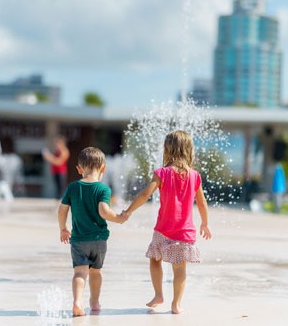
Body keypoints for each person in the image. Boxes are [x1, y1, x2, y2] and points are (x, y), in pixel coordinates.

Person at [122, 130, 212, 314]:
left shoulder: (162, 173)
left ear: (167, 149)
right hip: (184, 232)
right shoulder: (194, 176)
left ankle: (158, 294)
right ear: (189, 150)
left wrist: (128, 211)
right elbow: (202, 203)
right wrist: (205, 223)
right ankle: (176, 304)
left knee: (155, 261)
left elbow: (146, 194)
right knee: (180, 269)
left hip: (163, 230)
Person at [57, 147, 127, 317]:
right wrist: (119, 218)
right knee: (96, 272)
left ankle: (77, 303)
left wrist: (63, 229)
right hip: (98, 241)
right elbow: (104, 211)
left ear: (79, 169)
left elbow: (62, 210)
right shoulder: (103, 189)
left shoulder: (72, 187)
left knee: (80, 273)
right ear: (103, 168)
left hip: (79, 240)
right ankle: (94, 303)